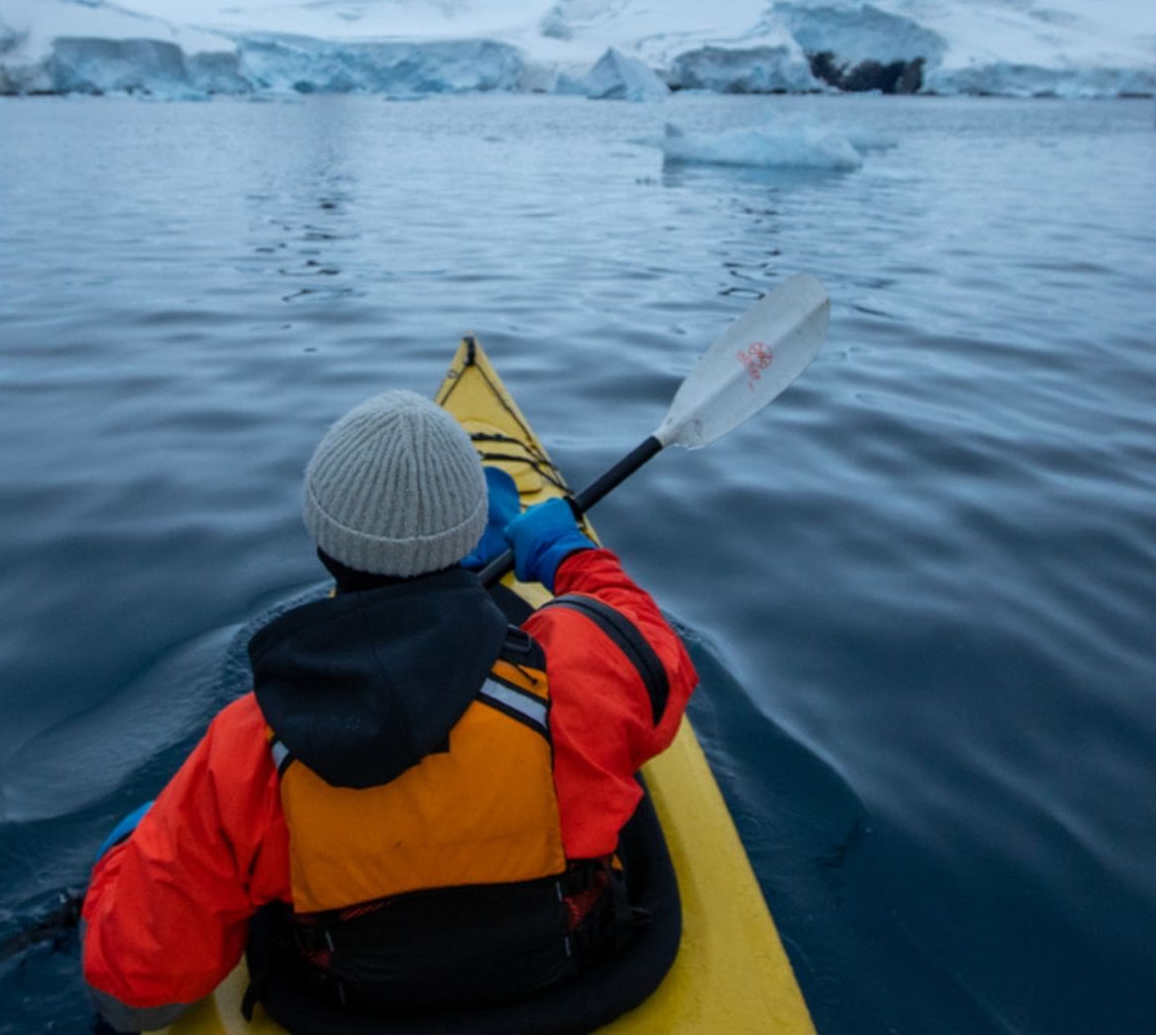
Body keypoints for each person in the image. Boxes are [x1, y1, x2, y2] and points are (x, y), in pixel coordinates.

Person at [80, 389, 697, 1032]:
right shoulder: (582, 672)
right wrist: (572, 556)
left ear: (322, 539)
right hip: (567, 974)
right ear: (467, 538)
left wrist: (129, 853)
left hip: (357, 1002)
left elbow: (132, 997)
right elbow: (656, 652)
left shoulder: (246, 750)